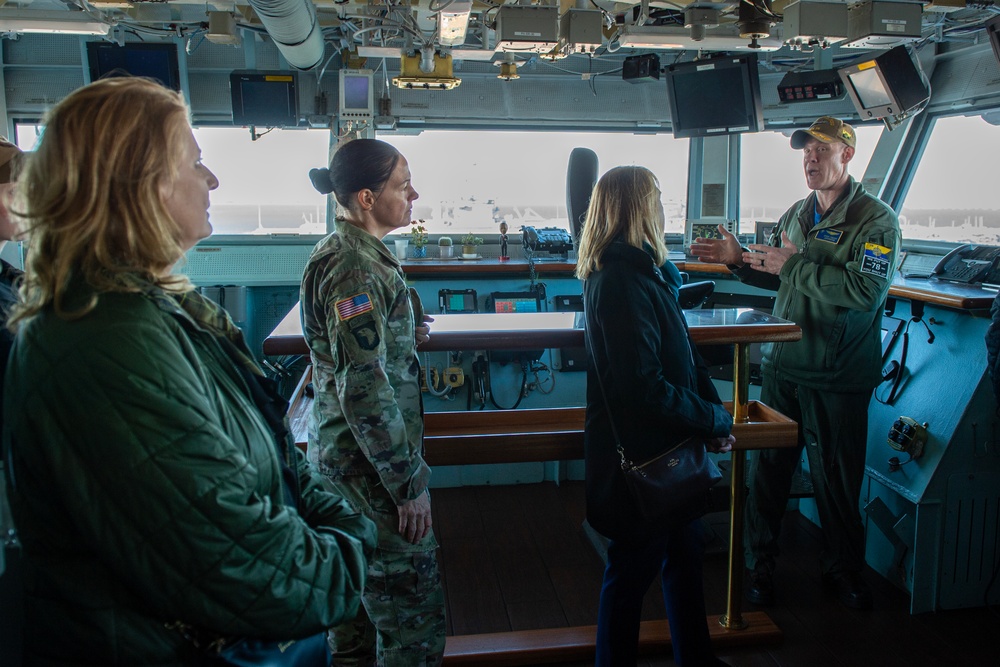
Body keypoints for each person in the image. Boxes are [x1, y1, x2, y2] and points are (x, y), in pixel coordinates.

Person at [2, 77, 377, 665]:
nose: (212, 180)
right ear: (139, 184)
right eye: (195, 162)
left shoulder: (153, 311)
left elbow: (276, 460)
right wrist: (352, 548)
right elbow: (241, 566)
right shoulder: (101, 344)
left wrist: (339, 524)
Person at [690, 116, 902, 610]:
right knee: (766, 476)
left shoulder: (875, 221)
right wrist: (740, 259)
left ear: (846, 155)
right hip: (786, 368)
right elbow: (782, 278)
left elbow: (864, 293)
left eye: (821, 150)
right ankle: (758, 567)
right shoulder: (797, 215)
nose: (810, 158)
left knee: (836, 482)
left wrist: (795, 266)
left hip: (837, 373)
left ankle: (843, 571)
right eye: (805, 151)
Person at [576, 166, 735, 667]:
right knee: (629, 577)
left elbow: (684, 358)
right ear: (638, 208)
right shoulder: (621, 280)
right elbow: (642, 387)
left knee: (685, 565)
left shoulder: (648, 273)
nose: (665, 206)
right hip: (644, 457)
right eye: (658, 198)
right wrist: (710, 420)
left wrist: (711, 418)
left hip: (671, 448)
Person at [302, 138, 446, 666]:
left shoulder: (348, 255)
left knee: (354, 635)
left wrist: (405, 332)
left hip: (345, 469)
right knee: (413, 635)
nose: (413, 193)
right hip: (374, 479)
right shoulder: (355, 268)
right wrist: (407, 485)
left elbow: (357, 353)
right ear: (366, 197)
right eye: (402, 184)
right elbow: (362, 388)